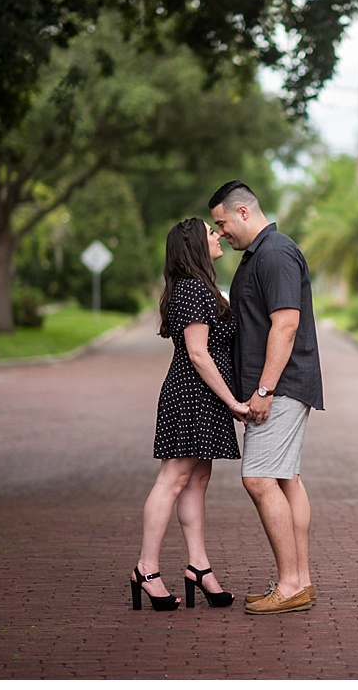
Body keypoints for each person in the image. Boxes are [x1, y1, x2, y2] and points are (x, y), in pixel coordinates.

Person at [208, 180, 324, 615]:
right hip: (283, 385)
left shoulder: (274, 253)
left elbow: (286, 325)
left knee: (257, 478)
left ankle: (291, 584)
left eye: (222, 224)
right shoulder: (261, 255)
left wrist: (263, 389)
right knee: (285, 479)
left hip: (281, 387)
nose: (220, 234)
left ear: (242, 213)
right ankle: (301, 581)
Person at [131, 218, 248, 612]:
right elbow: (198, 354)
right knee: (174, 478)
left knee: (198, 479)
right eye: (210, 232)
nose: (217, 236)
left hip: (202, 396)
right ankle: (146, 569)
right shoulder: (192, 289)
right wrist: (233, 401)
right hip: (191, 395)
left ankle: (199, 567)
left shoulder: (200, 287)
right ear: (195, 244)